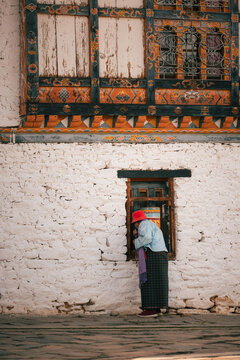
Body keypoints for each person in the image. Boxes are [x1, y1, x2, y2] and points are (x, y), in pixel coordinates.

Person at [132, 210, 168, 317]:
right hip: (160, 255)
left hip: (154, 255)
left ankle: (150, 309)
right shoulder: (150, 224)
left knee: (149, 281)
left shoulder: (144, 224)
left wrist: (136, 242)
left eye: (135, 224)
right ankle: (156, 308)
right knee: (158, 281)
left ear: (137, 221)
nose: (135, 226)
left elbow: (147, 238)